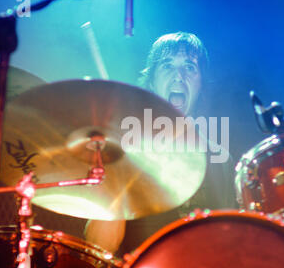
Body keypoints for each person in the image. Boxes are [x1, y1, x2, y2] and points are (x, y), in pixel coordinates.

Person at [85, 32, 237, 256]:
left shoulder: (220, 159)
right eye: (167, 66)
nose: (178, 76)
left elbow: (232, 248)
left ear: (201, 84)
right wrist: (122, 170)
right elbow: (99, 247)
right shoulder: (124, 148)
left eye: (190, 67)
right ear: (152, 82)